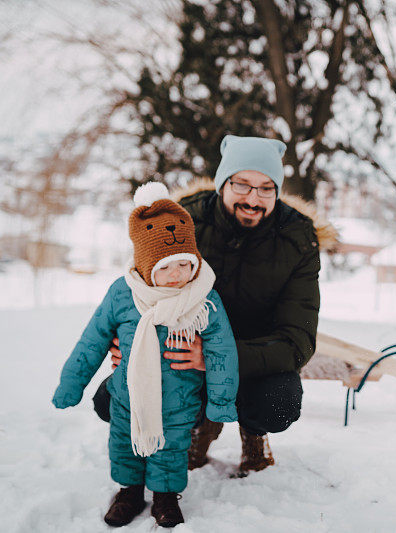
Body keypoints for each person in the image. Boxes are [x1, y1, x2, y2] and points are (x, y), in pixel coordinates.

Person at [94, 134, 337, 477]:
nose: (253, 198)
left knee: (277, 404)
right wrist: (127, 338)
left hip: (254, 358)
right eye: (242, 184)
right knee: (112, 399)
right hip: (181, 345)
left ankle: (253, 432)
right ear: (223, 182)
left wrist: (216, 355)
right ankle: (197, 427)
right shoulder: (183, 223)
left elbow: (298, 341)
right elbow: (141, 286)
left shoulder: (297, 239)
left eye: (266, 187)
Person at [52, 182, 239, 528]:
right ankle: (129, 491)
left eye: (184, 265)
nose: (176, 276)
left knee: (171, 449)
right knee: (124, 443)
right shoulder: (123, 294)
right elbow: (92, 340)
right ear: (146, 265)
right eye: (165, 268)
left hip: (180, 400)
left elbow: (222, 350)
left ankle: (166, 497)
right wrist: (71, 384)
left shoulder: (204, 297)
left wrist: (221, 400)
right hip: (127, 397)